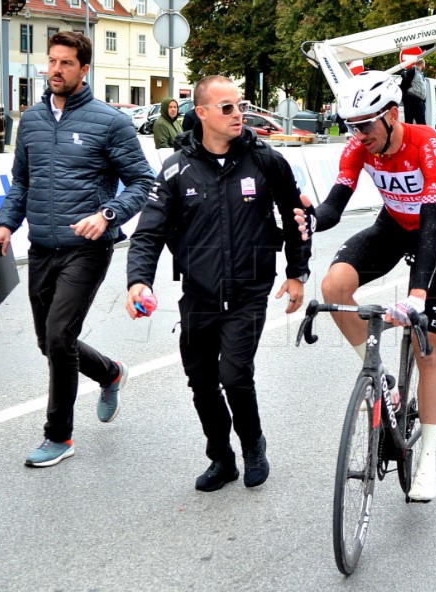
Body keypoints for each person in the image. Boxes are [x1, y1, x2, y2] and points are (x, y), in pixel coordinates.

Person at [126, 75, 312, 492]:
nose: (237, 114)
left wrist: (297, 273)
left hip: (249, 290)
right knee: (201, 379)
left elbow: (297, 218)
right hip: (199, 293)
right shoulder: (176, 168)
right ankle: (221, 458)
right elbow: (149, 232)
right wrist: (138, 281)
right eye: (226, 107)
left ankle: (252, 446)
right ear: (203, 113)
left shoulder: (266, 161)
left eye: (240, 106)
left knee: (235, 375)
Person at [0, 31, 155, 468]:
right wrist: (6, 224)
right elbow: (21, 182)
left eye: (66, 63)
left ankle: (58, 436)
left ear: (84, 69)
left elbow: (142, 181)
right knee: (50, 342)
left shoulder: (109, 122)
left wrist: (108, 215)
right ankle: (110, 372)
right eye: (52, 61)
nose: (56, 70)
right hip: (42, 245)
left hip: (87, 247)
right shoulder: (33, 120)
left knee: (61, 335)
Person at [294, 71, 436, 502]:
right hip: (390, 227)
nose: (358, 134)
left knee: (429, 350)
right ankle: (383, 378)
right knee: (334, 285)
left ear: (391, 115)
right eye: (351, 126)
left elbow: (431, 225)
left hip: (434, 231)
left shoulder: (430, 147)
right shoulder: (360, 147)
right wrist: (312, 218)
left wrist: (417, 295)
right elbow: (335, 204)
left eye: (365, 125)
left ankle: (428, 460)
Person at [400, 58, 427, 125]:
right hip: (412, 100)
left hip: (419, 101)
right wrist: (405, 99)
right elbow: (404, 82)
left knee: (420, 122)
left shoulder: (420, 73)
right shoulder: (413, 70)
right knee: (413, 122)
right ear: (422, 64)